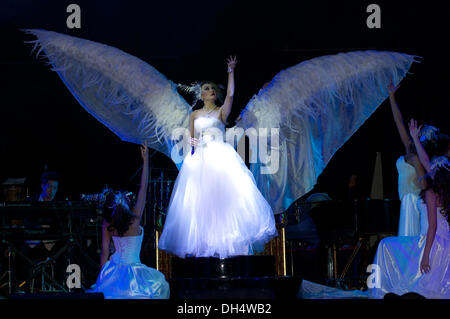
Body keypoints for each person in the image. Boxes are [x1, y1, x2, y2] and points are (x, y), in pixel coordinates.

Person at [158, 56, 277, 259]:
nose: (211, 90)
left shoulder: (222, 112)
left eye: (213, 88)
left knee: (225, 200)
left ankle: (229, 250)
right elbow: (192, 138)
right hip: (200, 161)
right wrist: (192, 144)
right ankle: (205, 251)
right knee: (200, 203)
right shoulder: (194, 115)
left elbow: (230, 94)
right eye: (206, 88)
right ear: (201, 94)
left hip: (221, 157)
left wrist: (231, 71)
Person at [88, 142, 170, 299]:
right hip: (134, 271)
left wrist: (101, 279)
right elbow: (143, 188)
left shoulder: (108, 224)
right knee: (158, 286)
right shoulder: (135, 219)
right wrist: (145, 161)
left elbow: (105, 252)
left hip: (113, 271)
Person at [368, 156, 449, 299]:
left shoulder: (431, 193)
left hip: (431, 242)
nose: (428, 169)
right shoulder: (441, 193)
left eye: (432, 168)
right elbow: (423, 160)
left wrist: (425, 255)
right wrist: (415, 138)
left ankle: (383, 289)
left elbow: (433, 226)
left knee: (384, 245)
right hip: (443, 242)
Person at [387, 80, 428, 236]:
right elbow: (399, 121)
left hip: (413, 202)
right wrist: (391, 96)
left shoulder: (417, 158)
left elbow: (424, 185)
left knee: (410, 241)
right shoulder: (408, 148)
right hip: (405, 202)